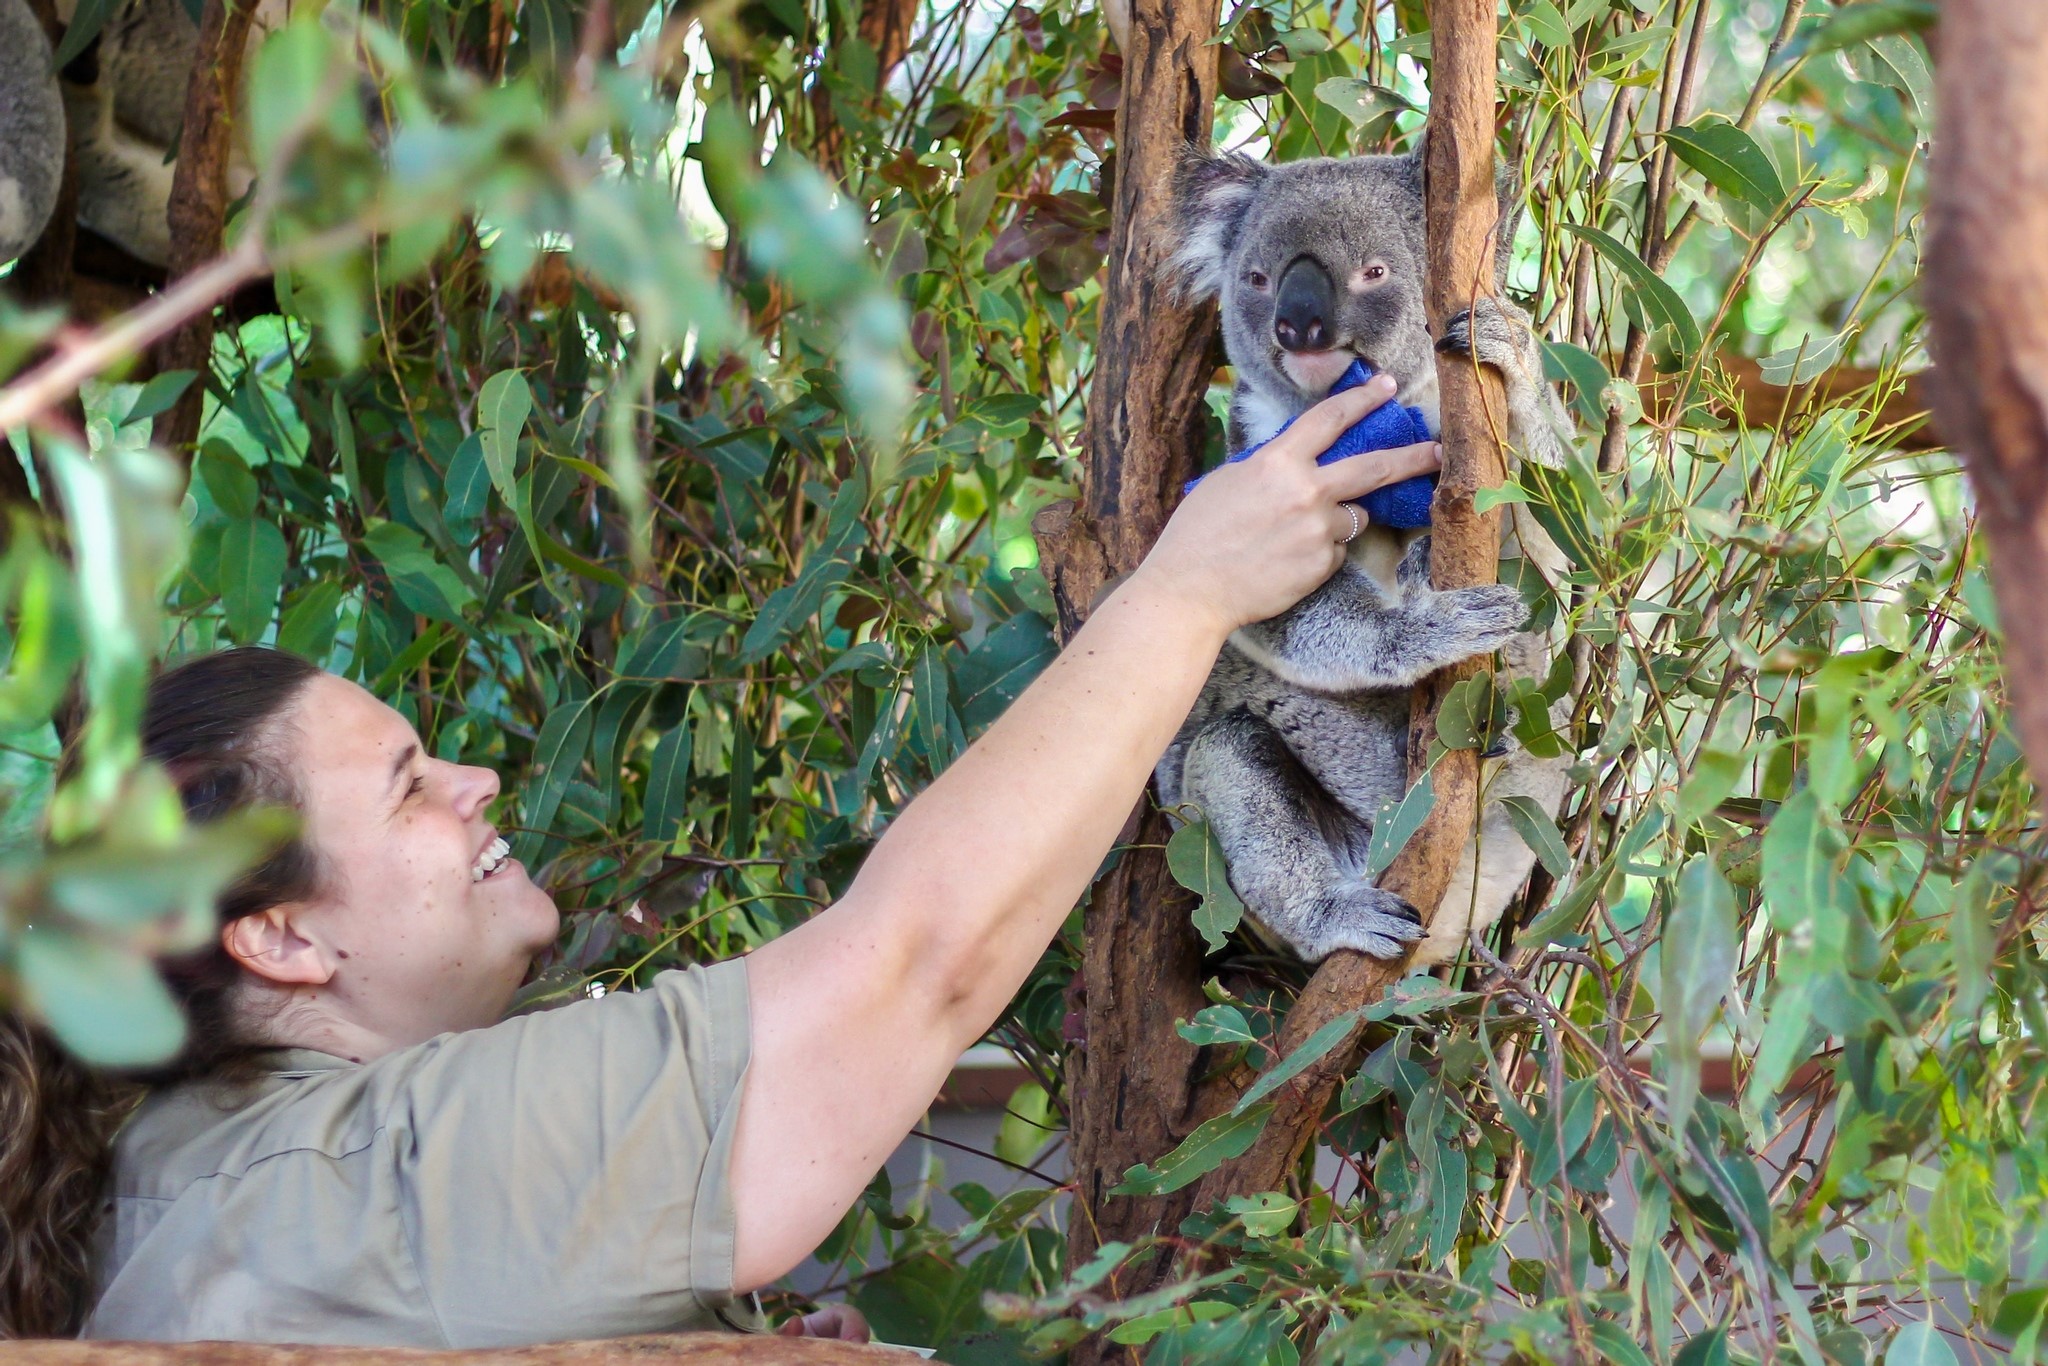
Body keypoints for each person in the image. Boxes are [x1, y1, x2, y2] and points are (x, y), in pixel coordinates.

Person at [0, 377, 1439, 1346]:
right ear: (282, 940)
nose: (478, 780)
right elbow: (908, 966)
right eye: (408, 786)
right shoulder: (363, 1170)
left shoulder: (198, 1177)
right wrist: (1189, 589)